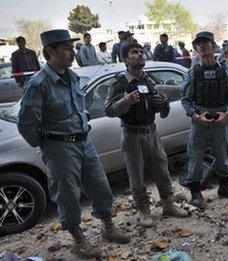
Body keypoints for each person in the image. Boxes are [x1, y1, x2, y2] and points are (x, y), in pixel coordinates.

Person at [17, 29, 130, 259]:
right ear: (50, 52)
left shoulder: (73, 77)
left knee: (100, 185)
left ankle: (108, 227)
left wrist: (84, 121)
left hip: (84, 142)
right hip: (59, 147)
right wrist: (47, 144)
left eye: (72, 47)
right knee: (68, 195)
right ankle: (79, 240)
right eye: (66, 49)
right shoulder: (38, 84)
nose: (72, 53)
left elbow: (78, 108)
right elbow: (26, 125)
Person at [105, 43, 189, 227]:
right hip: (132, 135)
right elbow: (109, 110)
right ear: (126, 59)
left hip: (152, 132)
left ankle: (168, 204)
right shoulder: (120, 83)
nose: (140, 55)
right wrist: (125, 102)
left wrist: (162, 104)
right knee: (136, 176)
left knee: (162, 171)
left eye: (142, 52)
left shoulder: (149, 81)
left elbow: (163, 111)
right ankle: (144, 211)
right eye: (135, 52)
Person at [181, 31, 228, 209]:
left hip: (219, 118)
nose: (202, 47)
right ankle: (195, 192)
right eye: (198, 44)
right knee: (195, 154)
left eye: (206, 43)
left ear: (213, 46)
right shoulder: (193, 71)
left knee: (223, 152)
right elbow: (185, 99)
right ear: (196, 49)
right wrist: (195, 115)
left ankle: (224, 186)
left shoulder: (225, 69)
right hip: (199, 118)